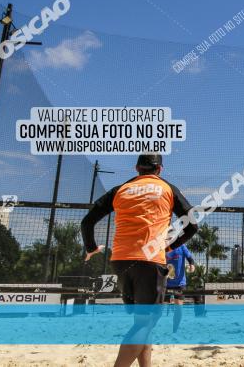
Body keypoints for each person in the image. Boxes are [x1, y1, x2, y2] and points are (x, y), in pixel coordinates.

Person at [81, 153, 198, 367]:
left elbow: (87, 222)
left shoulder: (120, 189)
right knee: (145, 324)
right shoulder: (167, 188)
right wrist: (170, 245)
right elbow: (193, 225)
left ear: (137, 168)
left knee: (143, 321)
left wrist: (91, 247)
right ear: (159, 169)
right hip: (149, 261)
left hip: (120, 261)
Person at [165, 243, 195, 333]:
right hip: (165, 283)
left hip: (179, 283)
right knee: (159, 307)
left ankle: (175, 330)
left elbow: (190, 258)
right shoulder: (162, 244)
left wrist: (192, 265)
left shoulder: (181, 245)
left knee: (179, 309)